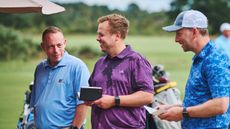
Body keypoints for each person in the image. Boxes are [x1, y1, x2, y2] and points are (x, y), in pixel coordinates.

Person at [158, 10, 230, 129]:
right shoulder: (202, 58)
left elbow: (220, 105)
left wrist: (182, 112)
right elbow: (200, 99)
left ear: (194, 32)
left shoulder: (214, 59)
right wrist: (173, 108)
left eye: (179, 33)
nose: (176, 39)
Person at [88, 14, 154, 129]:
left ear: (117, 36)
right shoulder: (99, 63)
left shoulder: (136, 60)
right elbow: (94, 92)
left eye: (101, 34)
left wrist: (114, 100)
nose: (97, 38)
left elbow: (147, 96)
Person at [30, 26, 90, 129]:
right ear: (43, 46)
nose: (56, 50)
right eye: (50, 46)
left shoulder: (78, 67)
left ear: (65, 43)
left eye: (59, 45)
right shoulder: (40, 68)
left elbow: (83, 103)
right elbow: (36, 103)